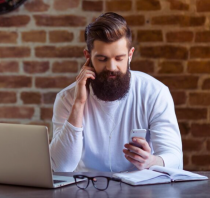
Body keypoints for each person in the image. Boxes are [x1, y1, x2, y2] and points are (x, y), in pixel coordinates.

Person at [49, 12, 183, 172]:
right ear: (88, 57)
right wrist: (79, 104)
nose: (112, 67)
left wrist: (151, 161)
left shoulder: (155, 93)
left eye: (119, 58)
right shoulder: (67, 98)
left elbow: (175, 160)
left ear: (130, 55)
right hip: (86, 190)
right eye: (102, 59)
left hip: (140, 192)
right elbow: (60, 167)